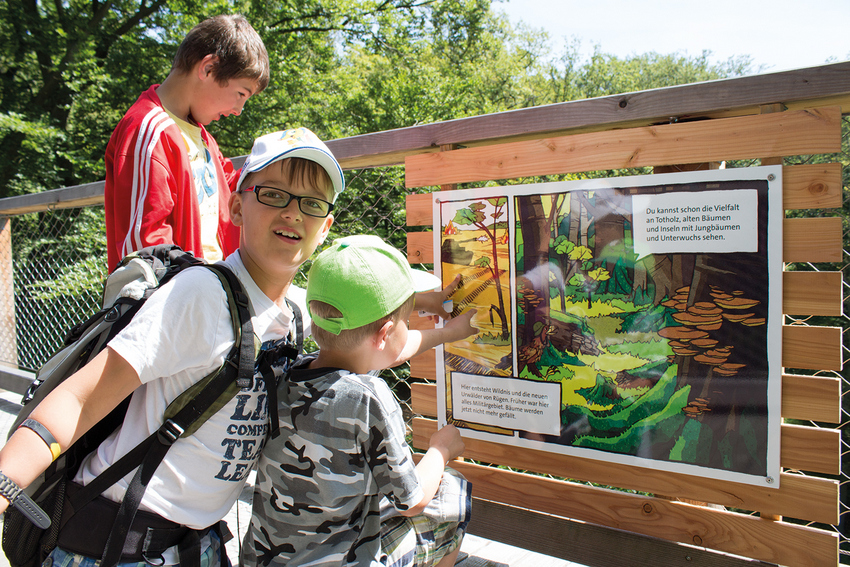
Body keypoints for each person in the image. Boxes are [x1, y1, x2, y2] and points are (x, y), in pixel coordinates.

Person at [0, 127, 470, 567]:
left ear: (325, 227)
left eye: (310, 204)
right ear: (237, 206)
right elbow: (79, 398)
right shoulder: (202, 296)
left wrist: (433, 315)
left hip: (196, 544)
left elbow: (376, 344)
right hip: (114, 543)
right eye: (273, 195)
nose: (292, 213)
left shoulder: (296, 313)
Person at [243, 234, 474, 567]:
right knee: (450, 493)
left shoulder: (287, 371)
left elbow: (383, 351)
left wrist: (444, 327)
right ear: (383, 334)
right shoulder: (369, 399)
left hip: (263, 560)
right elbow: (412, 500)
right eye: (407, 320)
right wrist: (442, 449)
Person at [104, 14, 269, 271]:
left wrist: (279, 165)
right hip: (179, 299)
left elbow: (233, 187)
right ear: (208, 68)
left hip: (212, 287)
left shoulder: (202, 137)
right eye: (240, 94)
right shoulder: (148, 131)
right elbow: (144, 248)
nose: (239, 110)